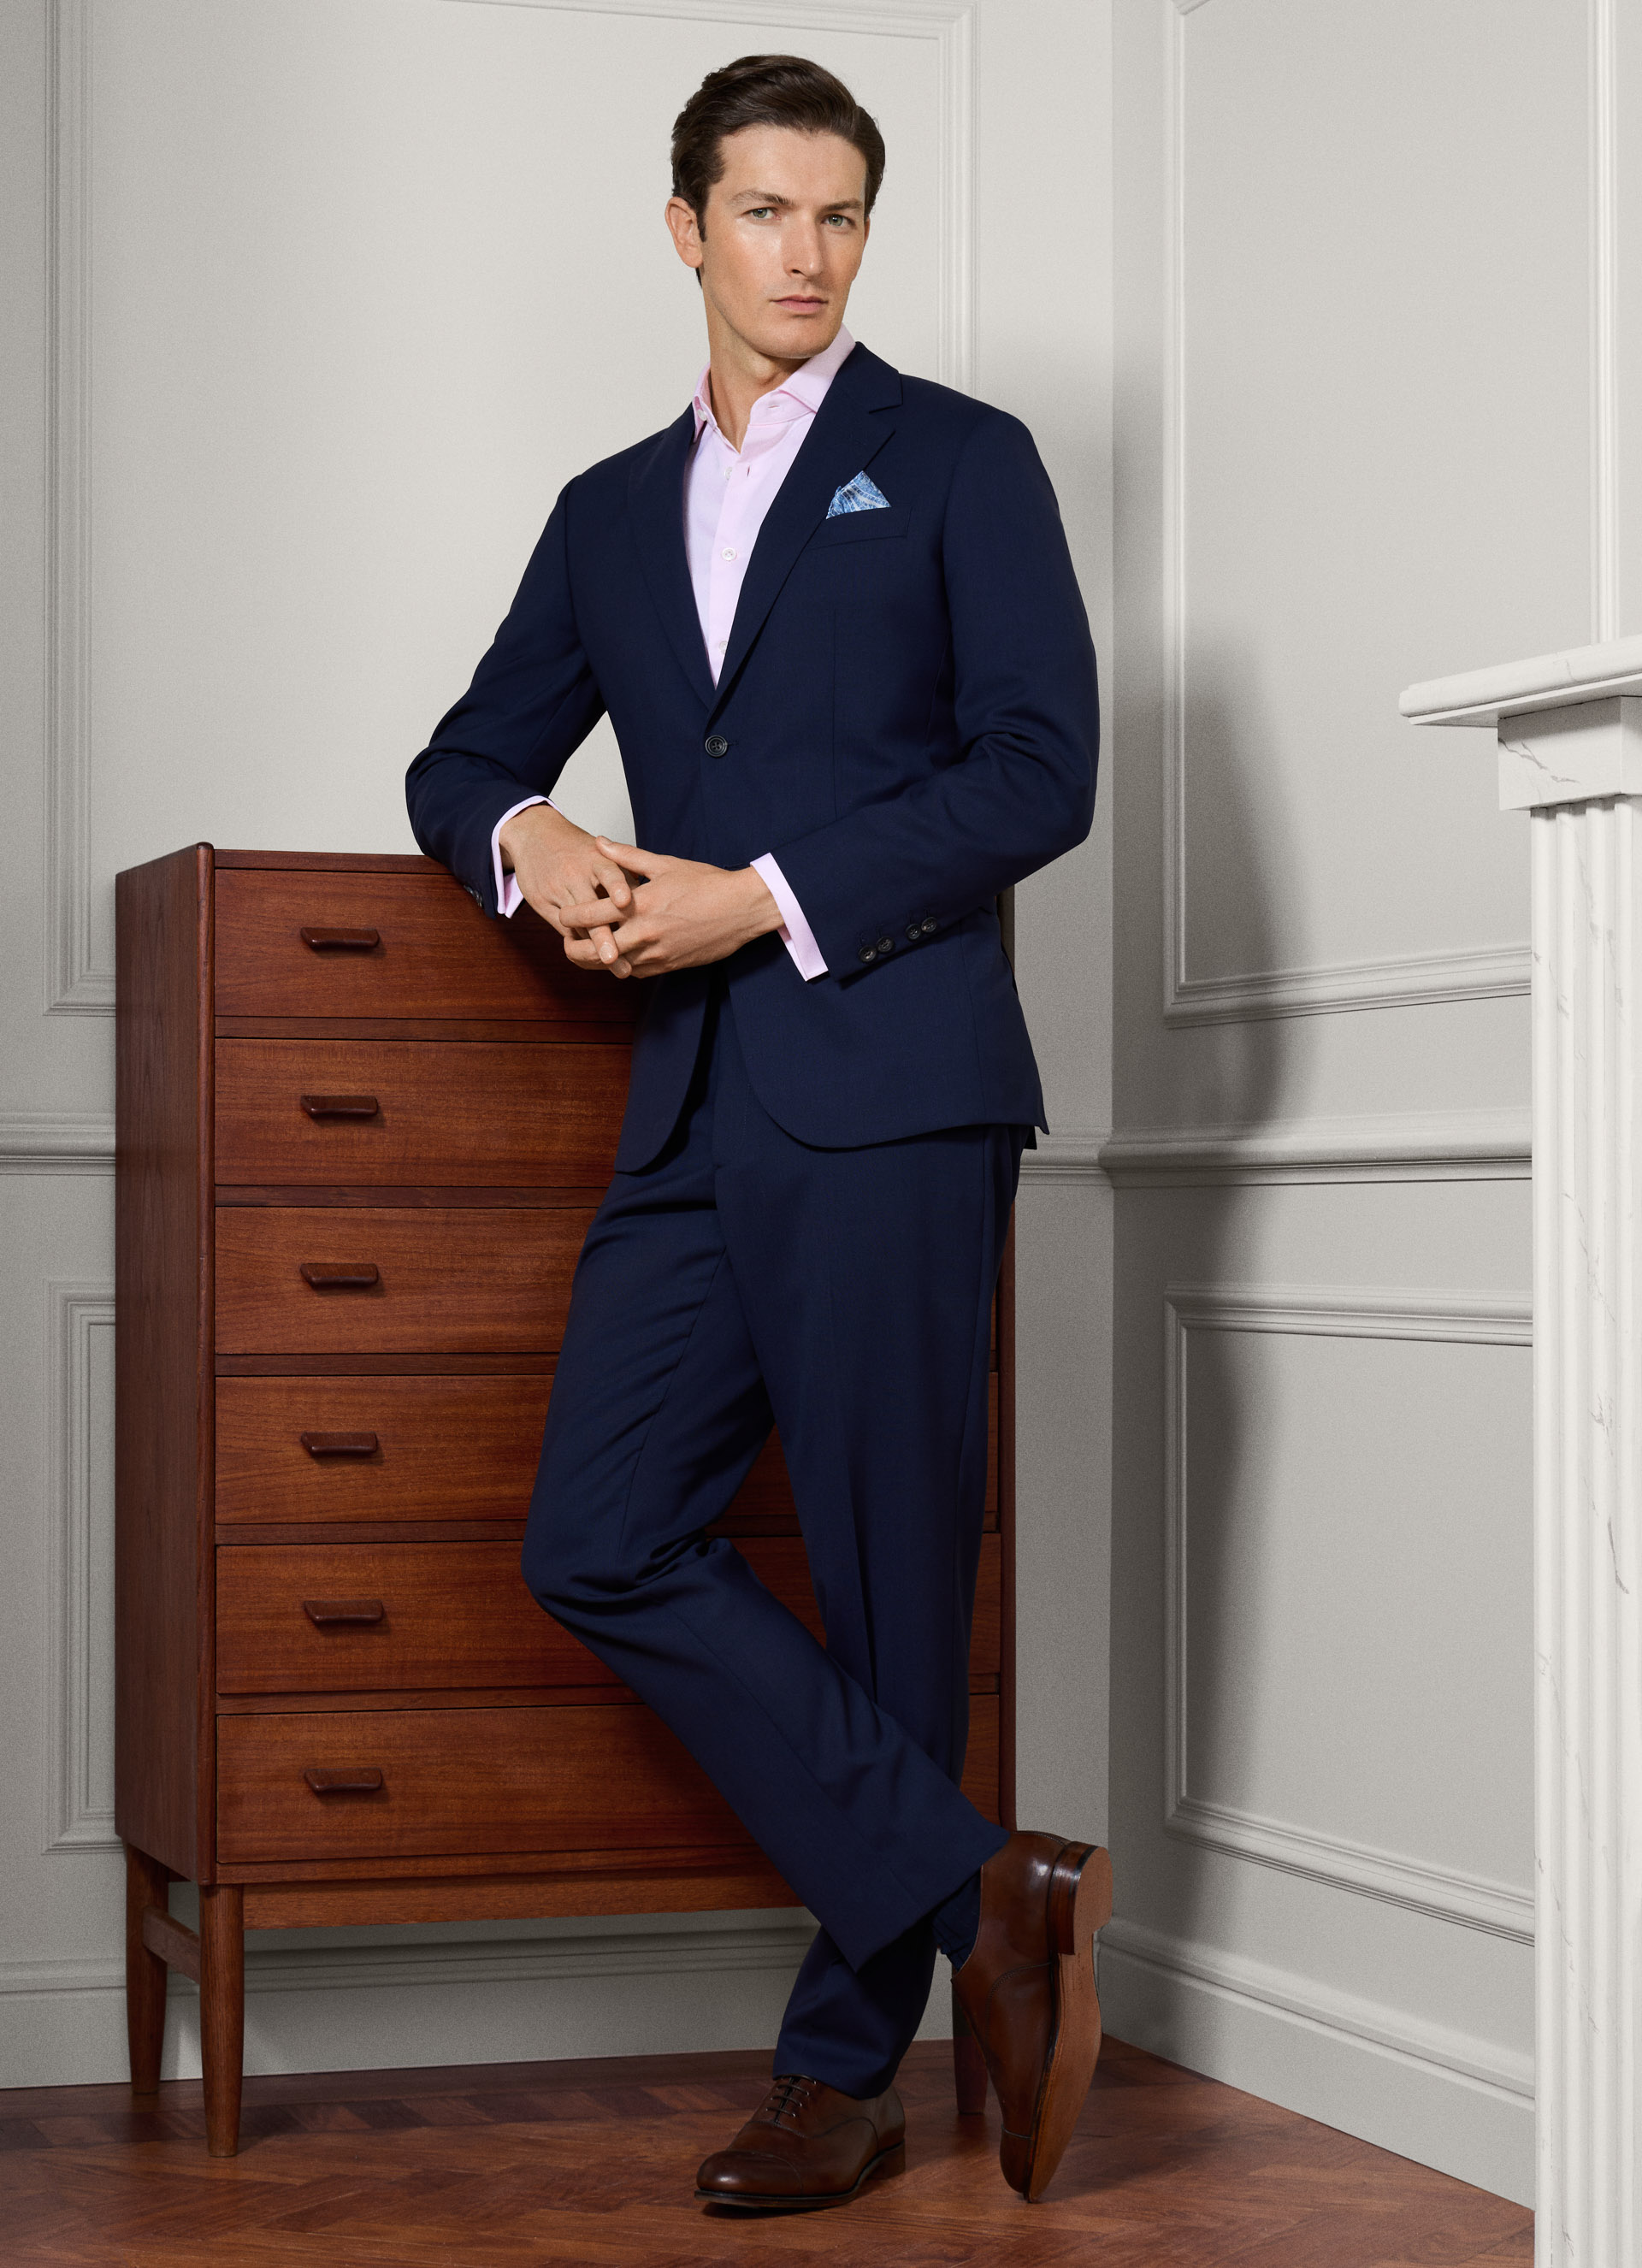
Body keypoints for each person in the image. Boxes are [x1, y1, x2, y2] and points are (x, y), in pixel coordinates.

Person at [405, 52, 1108, 2212]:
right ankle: (986, 1896)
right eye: (767, 212)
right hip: (693, 1102)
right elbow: (461, 758)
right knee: (598, 1532)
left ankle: (840, 2073)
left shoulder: (961, 459)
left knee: (893, 1593)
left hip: (892, 1085)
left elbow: (1042, 769)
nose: (808, 254)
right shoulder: (609, 510)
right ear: (686, 228)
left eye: (842, 216)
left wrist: (767, 899)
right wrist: (534, 837)